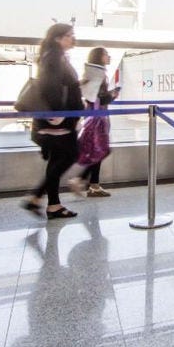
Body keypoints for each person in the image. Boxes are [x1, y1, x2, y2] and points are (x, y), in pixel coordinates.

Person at [21, 24, 84, 220]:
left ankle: (51, 204)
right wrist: (60, 115)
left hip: (57, 120)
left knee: (57, 160)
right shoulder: (54, 58)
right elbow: (52, 88)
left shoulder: (54, 56)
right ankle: (36, 197)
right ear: (58, 38)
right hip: (59, 122)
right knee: (70, 154)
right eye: (69, 35)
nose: (73, 38)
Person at [68, 46, 117, 198]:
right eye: (106, 54)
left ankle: (93, 185)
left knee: (98, 150)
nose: (109, 57)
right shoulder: (99, 75)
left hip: (92, 117)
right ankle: (80, 180)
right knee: (102, 150)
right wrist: (113, 95)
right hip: (97, 119)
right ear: (99, 57)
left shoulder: (92, 73)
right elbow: (100, 98)